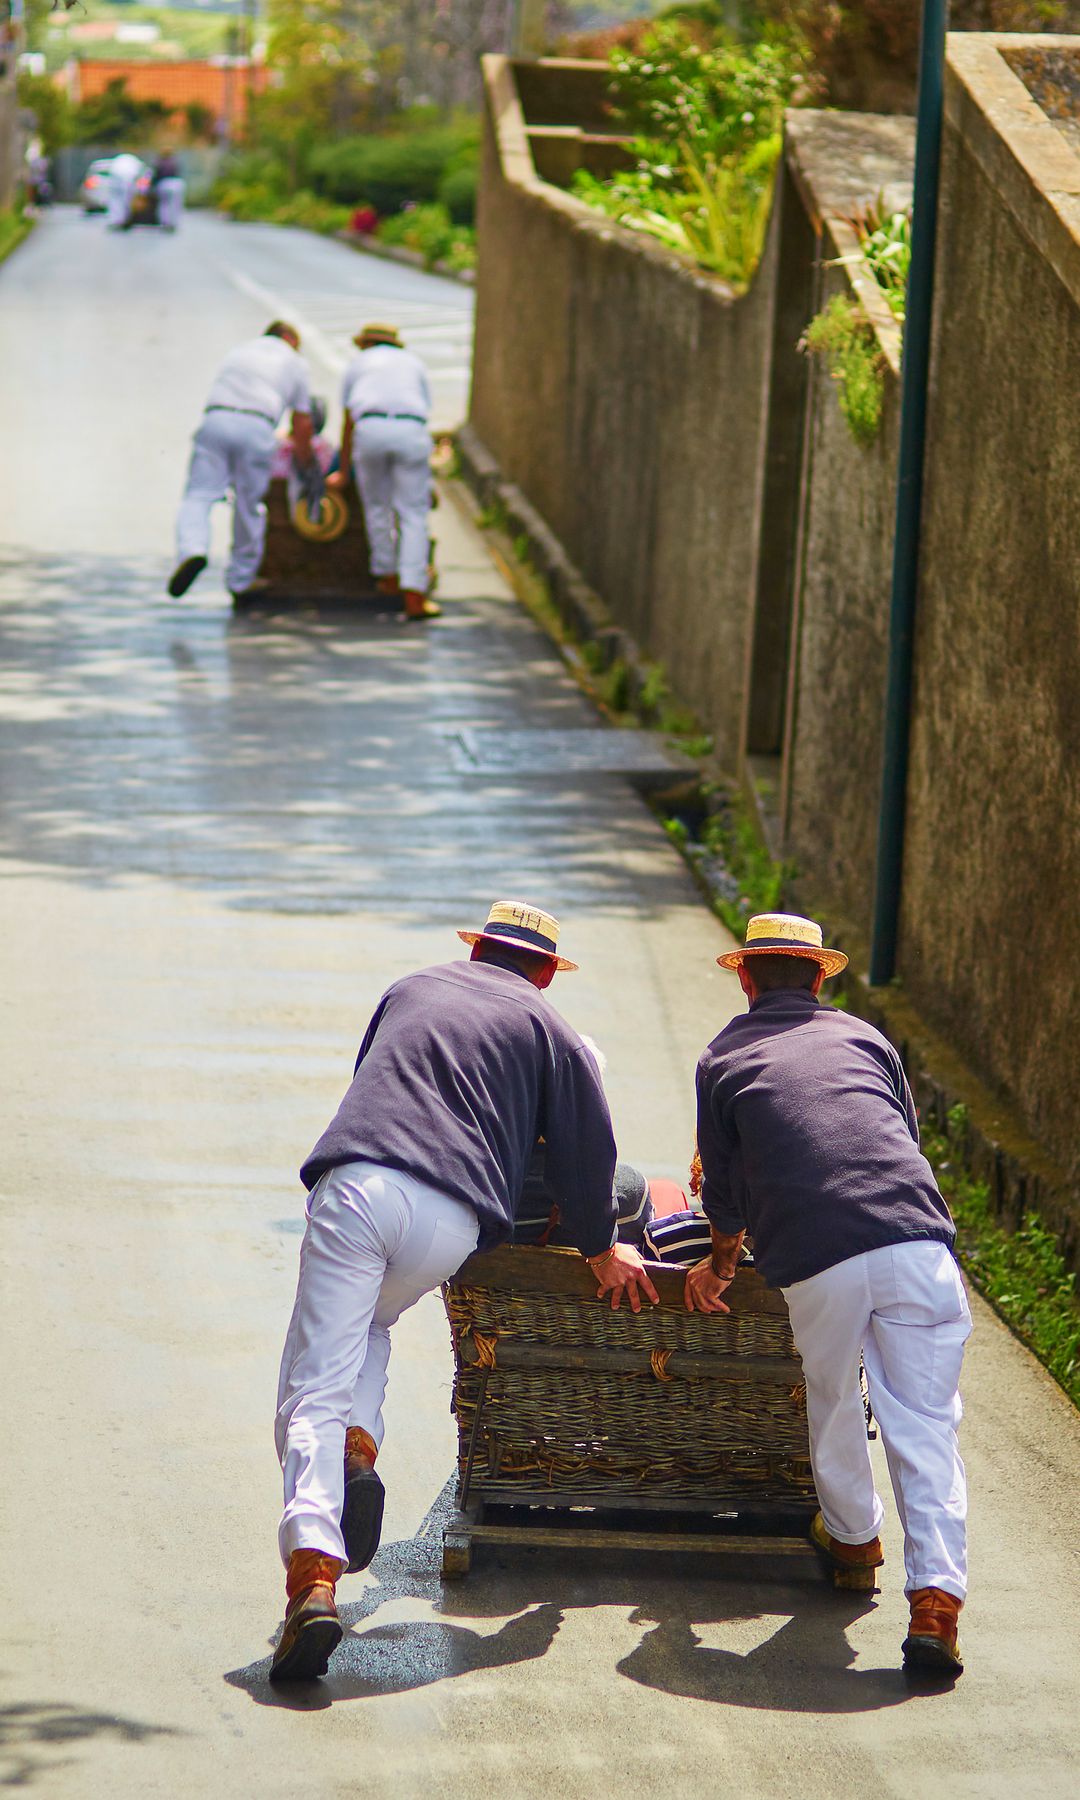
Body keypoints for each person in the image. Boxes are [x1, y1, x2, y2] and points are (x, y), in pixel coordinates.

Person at [271, 900, 658, 1683]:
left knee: (313, 1383)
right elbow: (592, 1157)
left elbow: (370, 1088)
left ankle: (314, 1572)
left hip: (363, 1185)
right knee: (374, 1326)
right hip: (452, 1221)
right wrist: (597, 1246)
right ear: (547, 974)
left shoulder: (409, 988)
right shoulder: (552, 1031)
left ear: (478, 949)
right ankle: (358, 1448)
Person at [688, 913, 971, 1676]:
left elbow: (723, 1190)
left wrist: (719, 1262)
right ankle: (936, 1606)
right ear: (820, 978)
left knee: (834, 1395)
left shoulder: (722, 1057)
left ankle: (853, 1538)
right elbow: (899, 1134)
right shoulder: (866, 1038)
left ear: (745, 979)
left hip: (818, 1258)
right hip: (917, 1243)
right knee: (926, 1427)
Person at [168, 322, 314, 601]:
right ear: (289, 339)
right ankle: (241, 579)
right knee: (249, 503)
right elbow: (302, 421)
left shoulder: (240, 352)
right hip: (257, 426)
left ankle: (192, 550)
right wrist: (306, 464)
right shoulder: (295, 362)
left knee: (198, 496)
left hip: (216, 419)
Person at [332, 322, 440, 620]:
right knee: (413, 514)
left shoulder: (358, 364)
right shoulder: (413, 363)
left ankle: (387, 576)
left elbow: (348, 421)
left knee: (376, 506)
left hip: (371, 429)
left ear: (365, 344)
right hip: (410, 429)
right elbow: (422, 411)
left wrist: (342, 470)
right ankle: (414, 595)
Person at [105, 151, 142, 231]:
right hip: (126, 184)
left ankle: (116, 220)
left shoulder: (119, 162)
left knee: (116, 203)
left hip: (118, 184)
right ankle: (124, 220)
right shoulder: (133, 163)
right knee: (125, 203)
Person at [152, 151, 185, 232]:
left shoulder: (159, 163)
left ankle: (165, 223)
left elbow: (156, 176)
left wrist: (153, 186)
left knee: (164, 204)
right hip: (176, 183)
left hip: (164, 183)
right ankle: (173, 222)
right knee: (175, 205)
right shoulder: (175, 162)